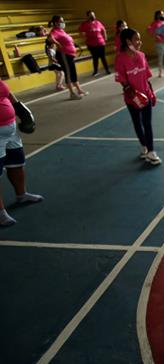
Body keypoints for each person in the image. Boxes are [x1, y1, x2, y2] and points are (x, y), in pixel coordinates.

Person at [0, 80, 44, 227]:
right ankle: (1, 213)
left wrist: (21, 110)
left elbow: (6, 92)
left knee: (16, 163)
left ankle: (21, 195)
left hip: (10, 128)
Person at [114, 28, 160, 165]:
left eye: (139, 39)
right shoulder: (120, 58)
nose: (140, 42)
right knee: (137, 122)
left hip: (146, 95)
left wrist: (151, 93)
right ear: (128, 41)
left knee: (147, 123)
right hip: (131, 98)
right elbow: (122, 80)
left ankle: (151, 152)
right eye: (137, 39)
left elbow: (146, 77)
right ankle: (144, 145)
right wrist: (133, 95)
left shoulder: (141, 55)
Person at [48, 15, 88, 100]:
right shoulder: (55, 31)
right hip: (64, 55)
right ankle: (72, 93)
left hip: (70, 55)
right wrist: (58, 44)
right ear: (56, 23)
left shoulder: (61, 30)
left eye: (63, 21)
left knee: (73, 73)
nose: (63, 23)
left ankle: (79, 90)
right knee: (69, 75)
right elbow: (50, 38)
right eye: (61, 21)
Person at [79, 10, 110, 77]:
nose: (93, 16)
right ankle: (95, 71)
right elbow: (81, 32)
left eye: (93, 15)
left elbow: (103, 30)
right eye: (91, 15)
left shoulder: (98, 22)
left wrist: (105, 38)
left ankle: (107, 70)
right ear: (88, 16)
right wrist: (85, 37)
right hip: (91, 44)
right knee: (95, 58)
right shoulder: (84, 24)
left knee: (103, 57)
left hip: (101, 43)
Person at [147, 10, 164, 78]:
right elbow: (149, 30)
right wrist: (157, 36)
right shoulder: (154, 23)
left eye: (163, 14)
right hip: (159, 43)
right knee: (160, 57)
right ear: (157, 15)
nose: (162, 15)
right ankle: (160, 72)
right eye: (161, 14)